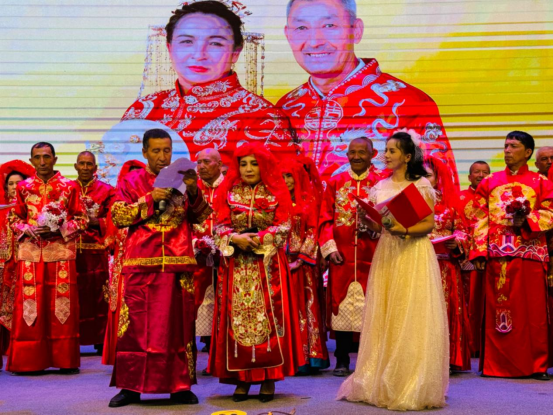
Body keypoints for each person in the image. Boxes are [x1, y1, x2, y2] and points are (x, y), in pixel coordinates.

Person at [278, 0, 457, 185]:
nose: (315, 42)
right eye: (301, 28)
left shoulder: (409, 104)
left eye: (329, 26)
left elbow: (438, 190)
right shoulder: (283, 109)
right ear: (288, 35)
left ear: (356, 30)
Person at [337, 131, 449, 410]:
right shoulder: (380, 186)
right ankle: (379, 377)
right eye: (386, 150)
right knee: (387, 311)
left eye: (392, 151)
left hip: (413, 252)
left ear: (407, 157)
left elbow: (428, 224)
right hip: (388, 251)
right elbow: (380, 227)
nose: (386, 155)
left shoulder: (421, 184)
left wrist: (405, 230)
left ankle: (410, 380)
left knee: (411, 311)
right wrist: (368, 220)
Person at [122, 1, 296, 167]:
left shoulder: (263, 118)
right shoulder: (143, 109)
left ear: (236, 52)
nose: (199, 55)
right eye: (186, 41)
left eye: (215, 43)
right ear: (170, 48)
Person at [108, 129, 211, 407]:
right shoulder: (131, 181)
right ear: (144, 152)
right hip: (141, 264)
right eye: (156, 151)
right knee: (136, 328)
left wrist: (193, 190)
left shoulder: (183, 179)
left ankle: (180, 387)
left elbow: (201, 216)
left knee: (178, 328)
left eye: (166, 150)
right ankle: (130, 388)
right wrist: (149, 198)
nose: (162, 156)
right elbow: (118, 216)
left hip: (178, 265)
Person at [208, 143, 304, 402]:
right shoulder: (229, 192)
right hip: (236, 267)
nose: (248, 169)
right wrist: (234, 238)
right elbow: (217, 227)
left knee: (269, 321)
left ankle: (268, 378)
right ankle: (241, 379)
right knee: (237, 321)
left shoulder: (276, 191)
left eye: (254, 163)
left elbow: (284, 226)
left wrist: (258, 239)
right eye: (243, 164)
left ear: (264, 166)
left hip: (268, 266)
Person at [470, 131, 553, 380]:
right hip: (498, 255)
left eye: (513, 146)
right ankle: (496, 365)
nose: (507, 150)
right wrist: (479, 250)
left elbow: (550, 212)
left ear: (527, 152)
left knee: (533, 314)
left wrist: (527, 220)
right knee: (500, 309)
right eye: (505, 145)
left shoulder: (541, 182)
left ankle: (536, 365)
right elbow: (478, 218)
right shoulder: (490, 181)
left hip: (530, 254)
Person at [7, 142, 88, 374]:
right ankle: (30, 362)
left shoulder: (69, 187)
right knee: (30, 307)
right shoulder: (23, 187)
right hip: (31, 254)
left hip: (60, 252)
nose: (42, 162)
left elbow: (82, 219)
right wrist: (27, 228)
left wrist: (60, 228)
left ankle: (65, 360)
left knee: (62, 307)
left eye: (46, 157)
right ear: (31, 161)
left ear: (55, 159)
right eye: (37, 157)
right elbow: (13, 219)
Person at [318, 136, 384, 376]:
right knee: (342, 306)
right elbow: (325, 218)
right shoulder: (336, 182)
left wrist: (377, 230)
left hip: (374, 256)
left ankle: (371, 360)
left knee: (373, 307)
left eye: (361, 152)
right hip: (342, 256)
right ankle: (342, 358)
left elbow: (389, 217)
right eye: (352, 152)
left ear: (372, 154)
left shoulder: (381, 183)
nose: (356, 157)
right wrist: (329, 249)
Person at [282, 158, 330, 374]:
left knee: (306, 309)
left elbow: (313, 231)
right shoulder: (275, 201)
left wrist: (300, 259)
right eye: (282, 176)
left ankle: (308, 357)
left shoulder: (309, 201)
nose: (286, 181)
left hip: (303, 265)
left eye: (289, 176)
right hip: (280, 262)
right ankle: (285, 358)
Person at [425, 155, 472, 372]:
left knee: (443, 310)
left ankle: (446, 358)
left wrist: (457, 243)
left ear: (438, 178)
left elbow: (463, 231)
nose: (423, 179)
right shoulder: (410, 201)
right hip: (416, 264)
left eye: (428, 175)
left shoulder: (450, 204)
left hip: (445, 266)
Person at [102, 160, 145, 366]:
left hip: (145, 261)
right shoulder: (118, 205)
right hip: (122, 262)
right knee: (120, 302)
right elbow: (111, 238)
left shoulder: (152, 204)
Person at [73, 151, 115, 353]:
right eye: (81, 163)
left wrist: (95, 222)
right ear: (75, 166)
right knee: (74, 296)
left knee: (98, 296)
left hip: (97, 251)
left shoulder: (107, 190)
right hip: (70, 251)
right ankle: (73, 340)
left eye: (89, 164)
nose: (85, 168)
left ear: (95, 168)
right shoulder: (66, 189)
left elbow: (114, 219)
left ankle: (100, 339)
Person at [0, 161, 35, 370]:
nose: (14, 187)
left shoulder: (29, 211)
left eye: (18, 184)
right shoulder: (1, 209)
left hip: (24, 264)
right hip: (3, 266)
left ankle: (21, 352)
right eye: (10, 184)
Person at [192, 148, 224, 371]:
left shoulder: (231, 188)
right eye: (198, 162)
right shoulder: (191, 189)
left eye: (206, 162)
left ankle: (222, 360)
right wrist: (196, 243)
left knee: (225, 305)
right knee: (200, 305)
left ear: (219, 164)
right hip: (198, 259)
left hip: (227, 257)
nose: (201, 166)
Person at [458, 160, 490, 356]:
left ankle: (486, 345)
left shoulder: (495, 197)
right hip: (465, 257)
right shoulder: (459, 197)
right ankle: (469, 346)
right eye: (476, 172)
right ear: (469, 177)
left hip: (489, 256)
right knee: (467, 302)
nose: (481, 175)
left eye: (485, 172)